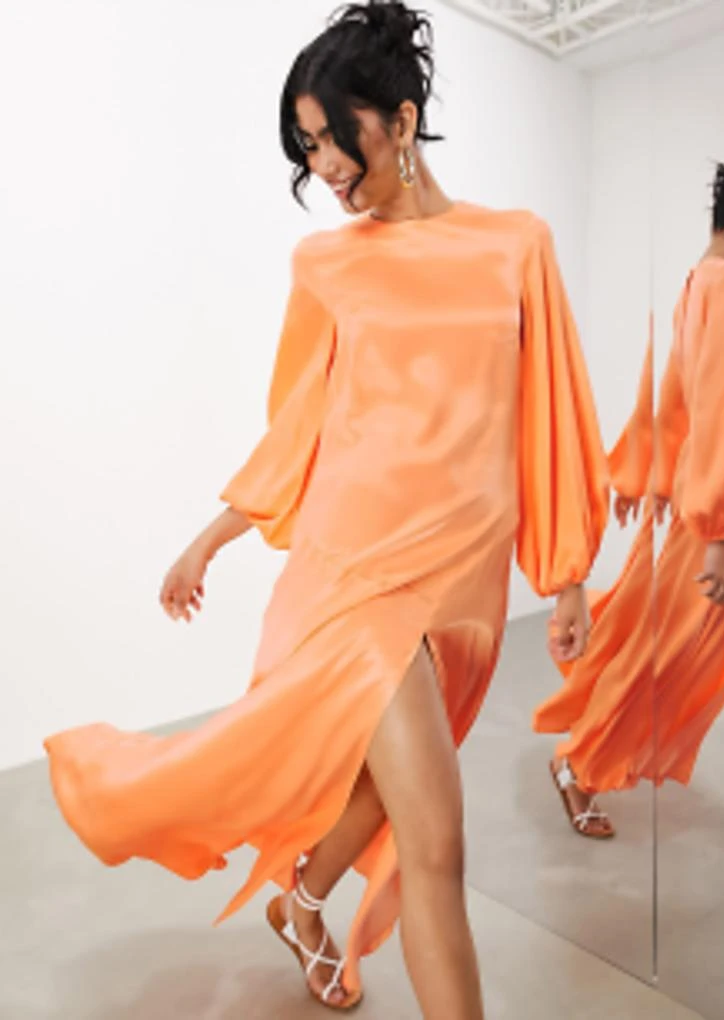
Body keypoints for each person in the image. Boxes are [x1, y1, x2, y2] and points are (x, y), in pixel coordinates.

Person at [43, 2, 608, 1016]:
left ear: (400, 120)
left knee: (385, 789)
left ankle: (300, 901)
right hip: (356, 578)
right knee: (436, 842)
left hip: (462, 585)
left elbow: (551, 413)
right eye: (307, 147)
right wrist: (213, 536)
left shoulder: (516, 245)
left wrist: (565, 576)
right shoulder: (326, 264)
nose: (324, 167)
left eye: (334, 138)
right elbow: (304, 423)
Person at [534, 153, 724, 889]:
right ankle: (578, 762)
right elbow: (715, 405)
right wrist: (717, 534)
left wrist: (648, 477)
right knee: (666, 655)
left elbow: (673, 390)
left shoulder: (694, 281)